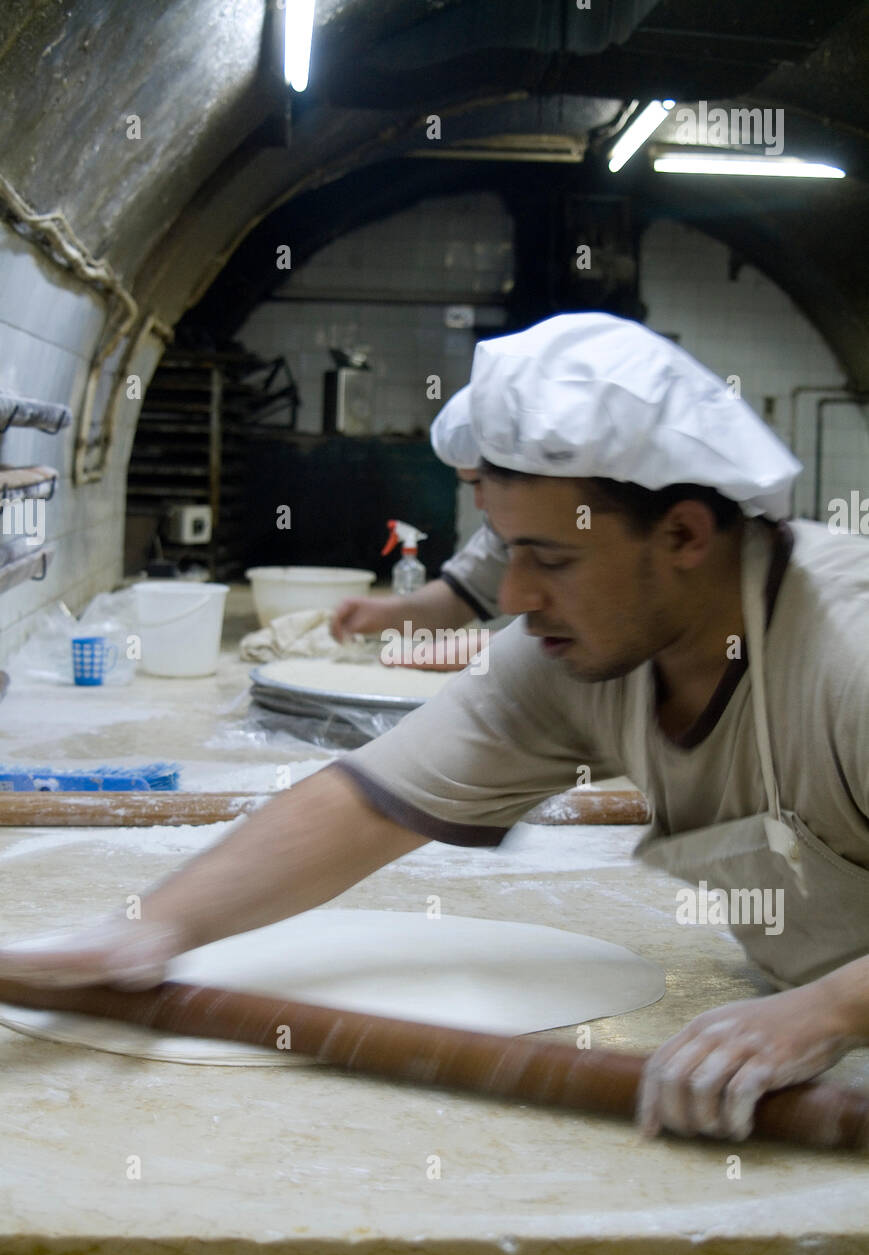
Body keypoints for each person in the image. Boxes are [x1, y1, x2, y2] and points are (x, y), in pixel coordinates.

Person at [3, 312, 868, 1144]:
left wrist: (827, 1009)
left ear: (682, 532)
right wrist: (150, 928)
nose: (519, 597)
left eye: (553, 559)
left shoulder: (845, 654)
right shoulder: (578, 655)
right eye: (507, 550)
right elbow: (368, 801)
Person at [330, 386, 508, 648]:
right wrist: (386, 614)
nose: (478, 502)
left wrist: (485, 648)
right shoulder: (505, 532)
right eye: (470, 486)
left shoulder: (578, 524)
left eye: (482, 482)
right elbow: (461, 595)